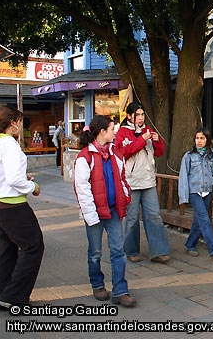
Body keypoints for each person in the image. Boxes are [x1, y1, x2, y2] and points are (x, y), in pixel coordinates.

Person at [0, 105, 44, 311]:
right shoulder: (10, 145)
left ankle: (6, 294)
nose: (20, 125)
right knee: (33, 246)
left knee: (6, 250)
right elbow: (14, 179)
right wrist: (32, 186)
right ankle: (14, 297)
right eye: (19, 121)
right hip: (12, 206)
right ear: (12, 123)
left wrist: (16, 179)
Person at [73, 115, 136, 307]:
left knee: (118, 250)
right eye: (111, 129)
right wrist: (90, 215)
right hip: (94, 213)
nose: (114, 132)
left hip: (113, 211)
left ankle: (120, 290)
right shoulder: (85, 157)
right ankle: (98, 285)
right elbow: (81, 188)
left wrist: (125, 198)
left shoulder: (116, 154)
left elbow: (123, 178)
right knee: (95, 252)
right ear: (102, 132)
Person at [115, 102, 171, 264]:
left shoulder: (148, 130)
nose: (140, 118)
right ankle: (131, 250)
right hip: (131, 182)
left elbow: (159, 153)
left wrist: (157, 140)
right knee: (132, 219)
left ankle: (159, 251)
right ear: (129, 116)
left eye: (142, 115)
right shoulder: (122, 133)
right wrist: (141, 141)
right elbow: (121, 154)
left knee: (154, 216)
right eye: (137, 115)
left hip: (148, 180)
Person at [178, 128, 213, 261]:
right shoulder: (189, 156)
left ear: (208, 140)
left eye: (202, 138)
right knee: (204, 220)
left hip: (207, 192)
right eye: (197, 138)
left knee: (198, 221)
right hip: (195, 192)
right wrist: (184, 196)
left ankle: (189, 245)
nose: (199, 141)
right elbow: (183, 177)